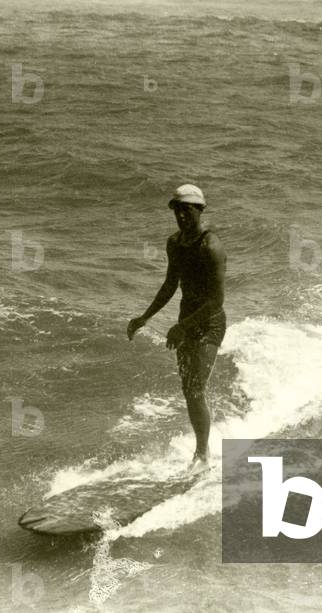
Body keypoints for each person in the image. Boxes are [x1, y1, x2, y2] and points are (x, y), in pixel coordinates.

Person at [127, 184, 227, 472]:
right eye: (177, 210)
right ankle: (202, 446)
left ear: (200, 210)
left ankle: (202, 456)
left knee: (195, 388)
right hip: (186, 321)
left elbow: (216, 301)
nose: (181, 216)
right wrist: (144, 317)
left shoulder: (211, 247)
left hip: (209, 324)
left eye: (187, 210)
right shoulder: (174, 243)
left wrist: (182, 326)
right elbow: (171, 284)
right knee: (189, 389)